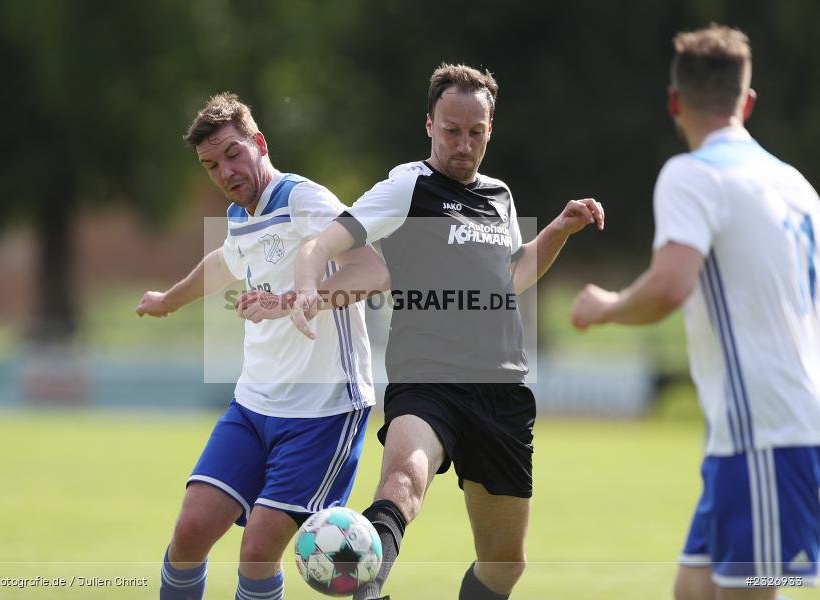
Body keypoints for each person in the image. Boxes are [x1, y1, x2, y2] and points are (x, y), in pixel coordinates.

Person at [290, 64, 604, 600]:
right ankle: (364, 589)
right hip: (428, 381)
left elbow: (511, 276)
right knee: (401, 484)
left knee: (504, 563)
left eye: (475, 132)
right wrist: (304, 287)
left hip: (502, 391)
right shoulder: (408, 185)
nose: (463, 144)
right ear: (429, 125)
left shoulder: (500, 195)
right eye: (451, 130)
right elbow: (324, 243)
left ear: (490, 131)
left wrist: (557, 230)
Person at [570, 24, 820, 600]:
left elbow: (669, 288)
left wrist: (606, 308)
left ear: (674, 101)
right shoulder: (795, 184)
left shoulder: (693, 174)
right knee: (696, 589)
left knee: (754, 592)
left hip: (766, 434)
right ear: (747, 102)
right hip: (759, 436)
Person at [136, 92, 389, 600]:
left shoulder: (303, 199)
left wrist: (302, 300)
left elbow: (376, 270)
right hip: (254, 404)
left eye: (232, 153)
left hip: (323, 409)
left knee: (257, 551)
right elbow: (223, 265)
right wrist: (169, 300)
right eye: (211, 165)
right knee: (188, 535)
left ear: (259, 143)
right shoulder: (239, 215)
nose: (225, 171)